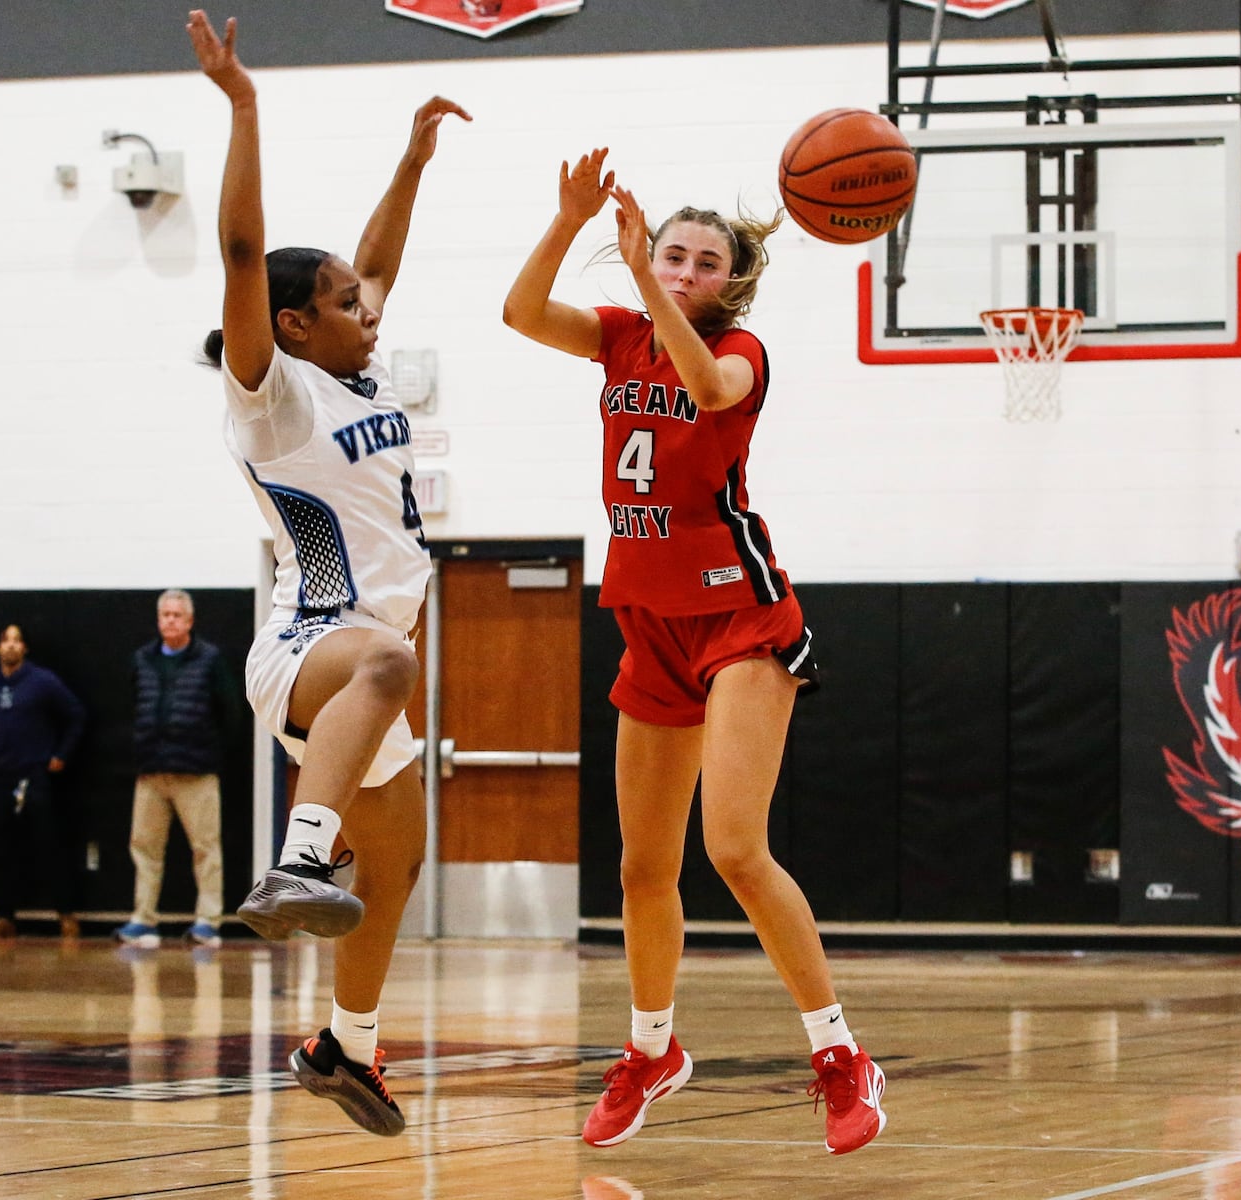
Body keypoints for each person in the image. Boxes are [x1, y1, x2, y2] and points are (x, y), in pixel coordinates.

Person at [502, 150, 887, 1154]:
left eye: (702, 262)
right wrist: (566, 222)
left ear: (733, 281)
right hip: (647, 621)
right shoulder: (619, 337)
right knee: (640, 867)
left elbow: (711, 389)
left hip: (739, 616)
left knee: (732, 849)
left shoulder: (744, 350)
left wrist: (639, 279)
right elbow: (518, 313)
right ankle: (651, 1051)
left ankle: (840, 1056)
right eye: (670, 253)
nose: (680, 269)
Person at [187, 9, 467, 1137]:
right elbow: (246, 258)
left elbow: (383, 259)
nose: (372, 308)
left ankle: (343, 1045)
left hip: (371, 677)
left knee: (397, 864)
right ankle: (297, 861)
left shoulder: (360, 374)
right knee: (391, 658)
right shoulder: (272, 392)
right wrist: (246, 109)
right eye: (348, 302)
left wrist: (410, 160)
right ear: (292, 325)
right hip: (312, 647)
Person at [115, 589, 239, 950]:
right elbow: (132, 707)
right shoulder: (141, 659)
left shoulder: (210, 659)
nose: (170, 620)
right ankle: (144, 919)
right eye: (165, 614)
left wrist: (208, 751)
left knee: (205, 849)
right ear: (158, 620)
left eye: (176, 615)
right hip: (151, 770)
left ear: (189, 620)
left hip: (196, 771)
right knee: (144, 847)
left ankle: (208, 922)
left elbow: (230, 713)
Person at [0, 623, 85, 939]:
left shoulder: (43, 681)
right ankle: (3, 916)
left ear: (25, 648)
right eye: (5, 640)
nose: (11, 646)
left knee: (49, 845)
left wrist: (61, 754)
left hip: (34, 774)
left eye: (17, 641)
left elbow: (75, 714)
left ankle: (66, 913)